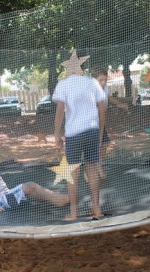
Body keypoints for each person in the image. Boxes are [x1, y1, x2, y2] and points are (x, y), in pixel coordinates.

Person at [53, 62, 106, 220]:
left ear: (68, 69)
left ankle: (74, 212)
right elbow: (101, 107)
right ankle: (97, 208)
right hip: (91, 130)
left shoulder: (63, 84)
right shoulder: (92, 82)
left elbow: (60, 109)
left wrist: (57, 134)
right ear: (82, 69)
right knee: (91, 170)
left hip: (74, 133)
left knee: (72, 173)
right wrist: (100, 131)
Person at [0, 140, 69, 212]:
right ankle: (59, 200)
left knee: (31, 190)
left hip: (4, 195)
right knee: (28, 187)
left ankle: (56, 199)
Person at [90, 66, 110, 180]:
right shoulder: (91, 91)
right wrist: (100, 133)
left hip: (99, 121)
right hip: (90, 123)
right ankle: (90, 172)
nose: (103, 83)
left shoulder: (105, 89)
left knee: (104, 144)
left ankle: (98, 166)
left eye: (105, 80)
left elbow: (107, 102)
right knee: (93, 146)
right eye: (101, 80)